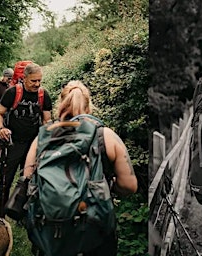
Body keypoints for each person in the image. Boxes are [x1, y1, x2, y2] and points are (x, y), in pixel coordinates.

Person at [21, 80, 138, 255]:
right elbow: (129, 186)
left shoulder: (43, 137)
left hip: (51, 230)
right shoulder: (106, 136)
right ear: (89, 106)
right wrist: (109, 186)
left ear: (61, 104)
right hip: (95, 230)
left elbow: (28, 179)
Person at [0, 63, 52, 217]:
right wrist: (0, 128)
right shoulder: (13, 92)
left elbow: (47, 121)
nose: (37, 84)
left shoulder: (43, 95)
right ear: (24, 79)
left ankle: (24, 215)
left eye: (39, 81)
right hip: (13, 143)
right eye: (33, 81)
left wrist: (47, 139)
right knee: (6, 180)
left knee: (30, 181)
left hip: (33, 145)